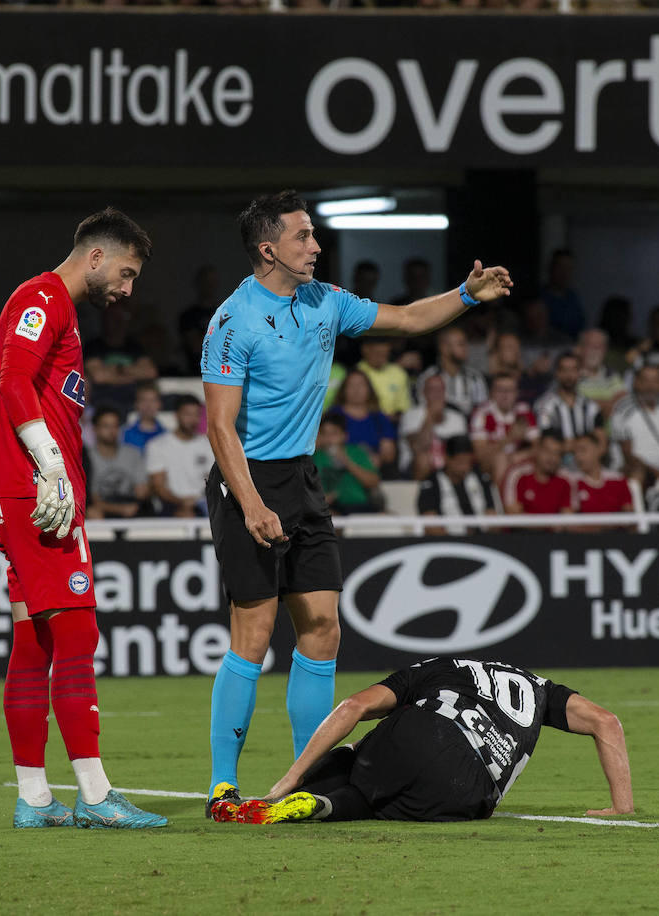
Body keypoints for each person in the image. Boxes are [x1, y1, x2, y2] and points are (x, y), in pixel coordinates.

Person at [199, 189, 512, 814]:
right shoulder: (232, 322)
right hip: (249, 482)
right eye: (303, 236)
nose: (315, 246)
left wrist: (466, 296)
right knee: (254, 636)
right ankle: (223, 784)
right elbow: (219, 427)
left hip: (303, 481)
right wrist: (251, 502)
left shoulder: (325, 302)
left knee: (321, 628)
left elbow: (407, 319)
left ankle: (305, 774)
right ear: (269, 249)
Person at [0, 206, 166, 830]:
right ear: (96, 257)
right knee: (78, 636)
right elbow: (11, 380)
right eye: (127, 272)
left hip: (23, 491)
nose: (128, 288)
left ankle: (34, 799)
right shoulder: (43, 297)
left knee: (33, 644)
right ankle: (94, 795)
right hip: (39, 493)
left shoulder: (59, 311)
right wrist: (51, 462)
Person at [209, 656, 631, 825]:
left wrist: (289, 776)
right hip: (470, 789)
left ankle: (298, 795)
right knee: (386, 805)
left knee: (365, 752)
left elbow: (352, 707)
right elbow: (607, 722)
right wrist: (621, 806)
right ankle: (322, 807)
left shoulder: (436, 669)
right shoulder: (541, 690)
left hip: (420, 732)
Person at [609, 364, 659, 488]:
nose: (651, 386)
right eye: (645, 381)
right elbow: (627, 454)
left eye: (655, 381)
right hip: (634, 466)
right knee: (638, 473)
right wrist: (655, 471)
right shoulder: (623, 408)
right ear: (636, 383)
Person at [415, 435, 501, 536]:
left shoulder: (481, 480)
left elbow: (492, 516)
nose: (465, 467)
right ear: (447, 458)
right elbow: (431, 525)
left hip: (483, 541)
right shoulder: (430, 484)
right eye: (460, 462)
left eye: (468, 462)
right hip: (447, 544)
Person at [146, 394, 214, 518]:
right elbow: (158, 487)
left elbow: (213, 480)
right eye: (187, 414)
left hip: (205, 506)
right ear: (176, 415)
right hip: (170, 507)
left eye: (196, 414)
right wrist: (183, 503)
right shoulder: (157, 445)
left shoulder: (209, 445)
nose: (192, 419)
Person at [470, 372, 538, 485]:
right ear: (491, 393)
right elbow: (480, 456)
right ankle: (502, 501)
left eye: (510, 390)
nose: (505, 395)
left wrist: (515, 457)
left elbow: (538, 446)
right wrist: (509, 438)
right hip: (491, 464)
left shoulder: (524, 411)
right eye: (500, 390)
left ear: (517, 393)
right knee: (501, 459)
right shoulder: (482, 414)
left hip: (518, 458)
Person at [397, 373, 468, 481]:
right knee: (422, 458)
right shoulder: (411, 415)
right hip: (416, 468)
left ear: (445, 393)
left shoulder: (457, 418)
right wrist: (430, 418)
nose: (437, 394)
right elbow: (418, 447)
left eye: (440, 390)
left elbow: (460, 451)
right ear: (424, 393)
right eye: (432, 390)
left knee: (459, 462)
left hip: (448, 464)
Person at [535, 352, 604, 458]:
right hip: (558, 462)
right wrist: (582, 446)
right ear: (557, 373)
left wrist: (572, 445)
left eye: (573, 370)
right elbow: (547, 442)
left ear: (579, 372)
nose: (569, 375)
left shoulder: (591, 407)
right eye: (564, 370)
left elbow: (601, 441)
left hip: (588, 462)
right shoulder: (544, 406)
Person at [84, 407, 149, 519]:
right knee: (93, 514)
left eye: (115, 426)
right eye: (106, 426)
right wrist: (121, 509)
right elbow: (92, 499)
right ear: (95, 429)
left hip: (132, 507)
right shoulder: (87, 458)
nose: (112, 431)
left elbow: (142, 492)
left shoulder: (133, 454)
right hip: (102, 510)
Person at [327, 369, 398, 471]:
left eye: (361, 385)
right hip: (337, 469)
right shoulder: (332, 415)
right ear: (343, 390)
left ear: (369, 389)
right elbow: (321, 443)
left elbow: (389, 454)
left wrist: (378, 459)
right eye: (351, 385)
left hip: (372, 470)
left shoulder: (379, 418)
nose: (357, 390)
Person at [501, 430, 578, 521]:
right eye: (547, 451)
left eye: (557, 453)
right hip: (521, 534)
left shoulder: (567, 480)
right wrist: (551, 524)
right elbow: (514, 516)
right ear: (537, 449)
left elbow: (568, 519)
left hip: (556, 535)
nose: (552, 458)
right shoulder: (517, 475)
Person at [413, 326, 488, 417]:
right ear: (444, 348)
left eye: (465, 343)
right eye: (461, 344)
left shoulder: (475, 377)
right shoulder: (428, 377)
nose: (466, 348)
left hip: (467, 428)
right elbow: (421, 408)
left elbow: (482, 409)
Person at [312, 414, 379, 514]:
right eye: (324, 434)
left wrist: (347, 462)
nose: (329, 438)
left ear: (344, 435)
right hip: (328, 509)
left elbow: (373, 482)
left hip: (359, 507)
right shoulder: (315, 457)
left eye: (334, 434)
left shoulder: (357, 452)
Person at [569, 433, 634, 525]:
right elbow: (571, 523)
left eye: (582, 450)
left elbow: (630, 519)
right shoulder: (572, 482)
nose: (578, 457)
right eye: (574, 453)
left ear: (598, 450)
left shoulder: (618, 479)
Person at [355, 338, 412, 421]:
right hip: (362, 421)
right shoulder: (357, 372)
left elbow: (403, 409)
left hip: (392, 424)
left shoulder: (399, 373)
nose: (379, 357)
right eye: (376, 353)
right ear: (365, 349)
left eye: (383, 354)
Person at [574, 329, 627, 416]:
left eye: (600, 345)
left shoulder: (611, 375)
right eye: (591, 344)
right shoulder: (571, 375)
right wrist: (609, 403)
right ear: (579, 348)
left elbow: (623, 403)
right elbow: (574, 405)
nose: (596, 349)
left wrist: (593, 403)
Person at [540, 248, 585, 340]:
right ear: (551, 268)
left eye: (569, 268)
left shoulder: (573, 298)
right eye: (560, 267)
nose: (564, 273)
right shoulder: (539, 297)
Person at [121, 381, 166, 453]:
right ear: (136, 404)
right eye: (144, 400)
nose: (148, 405)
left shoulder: (166, 435)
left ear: (159, 404)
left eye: (153, 400)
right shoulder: (123, 433)